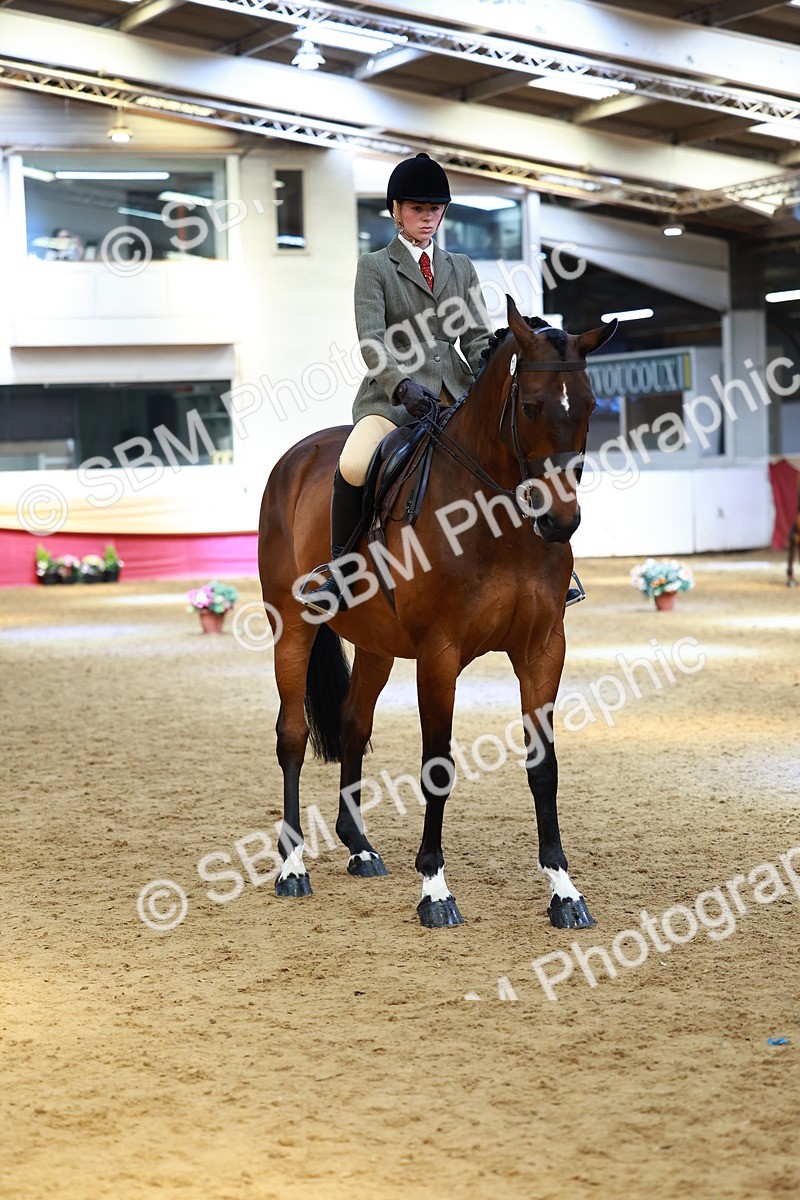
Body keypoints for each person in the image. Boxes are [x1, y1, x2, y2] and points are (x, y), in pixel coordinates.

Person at [299, 152, 493, 616]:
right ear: (395, 210)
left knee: (512, 449)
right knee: (353, 463)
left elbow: (476, 337)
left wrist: (493, 368)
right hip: (393, 402)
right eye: (417, 209)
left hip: (457, 395)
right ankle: (342, 574)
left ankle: (542, 563)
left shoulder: (461, 266)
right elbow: (372, 341)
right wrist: (401, 386)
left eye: (434, 209)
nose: (427, 218)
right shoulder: (375, 267)